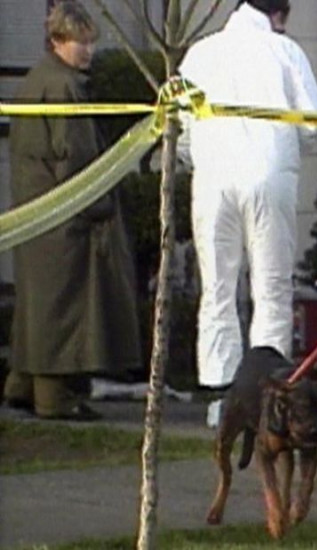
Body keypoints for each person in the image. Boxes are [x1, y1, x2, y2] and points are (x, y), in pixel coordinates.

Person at [178, 0, 317, 416]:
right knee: (272, 287)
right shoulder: (286, 51)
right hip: (269, 175)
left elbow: (180, 128)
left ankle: (220, 398)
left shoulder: (200, 53)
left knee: (217, 289)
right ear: (279, 15)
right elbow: (314, 122)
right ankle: (268, 394)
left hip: (213, 178)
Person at [4, 0, 142, 420]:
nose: (88, 51)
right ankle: (56, 398)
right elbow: (78, 159)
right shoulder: (66, 87)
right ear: (58, 41)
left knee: (36, 306)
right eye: (80, 42)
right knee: (66, 311)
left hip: (35, 211)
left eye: (89, 42)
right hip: (65, 214)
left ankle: (21, 386)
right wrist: (100, 206)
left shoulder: (35, 80)